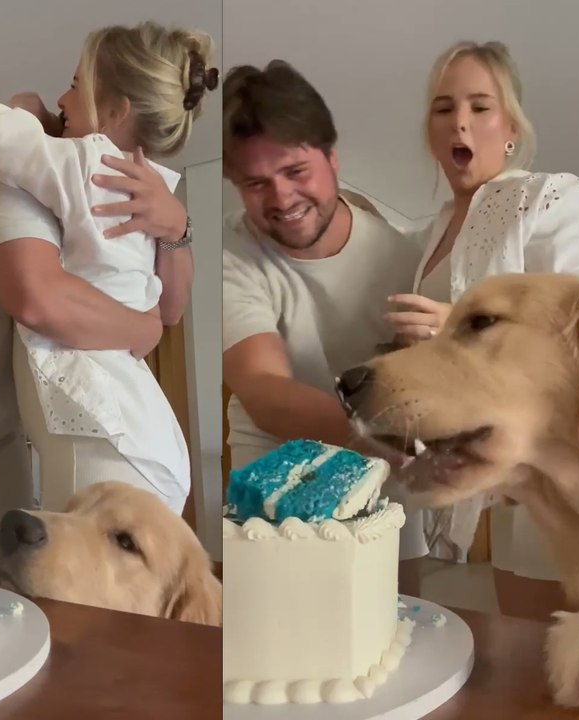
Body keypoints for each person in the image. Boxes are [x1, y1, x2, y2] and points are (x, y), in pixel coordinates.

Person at [383, 40, 579, 619]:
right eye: (443, 108)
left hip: (548, 473)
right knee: (501, 645)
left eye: (479, 106)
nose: (459, 121)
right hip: (473, 470)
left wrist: (467, 336)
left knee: (555, 654)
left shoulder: (544, 202)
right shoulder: (432, 236)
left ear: (509, 127)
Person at [0, 22, 218, 516]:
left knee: (73, 578)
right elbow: (170, 310)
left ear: (116, 110)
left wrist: (25, 110)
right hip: (134, 417)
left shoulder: (88, 162)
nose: (61, 99)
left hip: (94, 416)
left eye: (74, 84)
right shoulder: (149, 186)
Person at [220, 60, 429, 593]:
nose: (282, 199)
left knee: (394, 612)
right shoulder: (230, 255)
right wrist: (381, 439)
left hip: (387, 463)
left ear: (333, 158)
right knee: (277, 622)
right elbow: (265, 391)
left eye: (295, 172)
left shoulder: (407, 257)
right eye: (256, 183)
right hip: (272, 454)